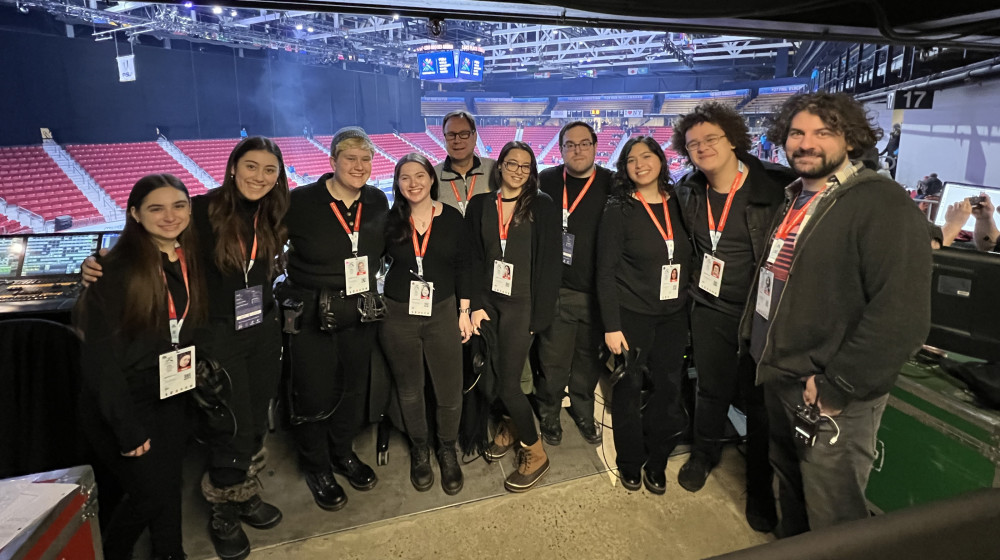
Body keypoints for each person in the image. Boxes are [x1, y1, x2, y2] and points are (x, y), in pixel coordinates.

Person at [83, 138, 291, 560]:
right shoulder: (198, 211)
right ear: (232, 167)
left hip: (261, 330)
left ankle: (243, 490)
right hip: (217, 335)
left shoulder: (276, 211)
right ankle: (223, 508)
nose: (260, 177)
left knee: (253, 421)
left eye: (270, 170)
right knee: (227, 425)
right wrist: (95, 266)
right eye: (251, 166)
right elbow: (151, 242)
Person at [743, 92, 931, 537]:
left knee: (835, 518)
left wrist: (837, 385)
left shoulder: (880, 203)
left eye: (823, 133)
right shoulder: (796, 198)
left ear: (850, 140)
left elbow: (901, 315)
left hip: (829, 394)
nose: (806, 144)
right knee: (791, 493)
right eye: (797, 133)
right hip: (783, 377)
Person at [670, 101, 797, 532]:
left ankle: (759, 485)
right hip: (709, 308)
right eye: (693, 144)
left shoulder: (777, 188)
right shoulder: (689, 189)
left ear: (732, 140)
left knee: (760, 405)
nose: (702, 148)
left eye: (711, 139)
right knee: (710, 389)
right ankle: (704, 454)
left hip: (760, 315)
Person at [77, 174, 207, 560]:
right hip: (127, 404)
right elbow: (99, 361)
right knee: (148, 494)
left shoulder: (187, 257)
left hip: (171, 392)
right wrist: (127, 429)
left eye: (178, 206)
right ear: (134, 213)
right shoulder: (112, 270)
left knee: (168, 486)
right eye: (156, 208)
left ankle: (170, 552)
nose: (170, 216)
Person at [281, 126, 388, 511]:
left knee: (353, 387)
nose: (359, 166)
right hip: (312, 311)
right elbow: (262, 241)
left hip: (360, 309)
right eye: (350, 159)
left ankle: (343, 452)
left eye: (366, 159)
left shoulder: (376, 201)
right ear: (332, 162)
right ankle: (317, 465)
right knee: (312, 392)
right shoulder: (301, 201)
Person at [597, 136, 694, 495]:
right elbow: (604, 271)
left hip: (673, 315)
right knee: (628, 389)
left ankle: (657, 459)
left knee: (669, 391)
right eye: (631, 159)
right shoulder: (618, 207)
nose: (640, 164)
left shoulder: (679, 202)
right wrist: (612, 325)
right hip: (632, 314)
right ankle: (629, 461)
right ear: (624, 168)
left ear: (660, 160)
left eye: (647, 155)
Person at [467, 140, 560, 492]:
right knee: (492, 379)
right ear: (500, 166)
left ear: (531, 171)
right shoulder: (480, 205)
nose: (518, 171)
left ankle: (535, 452)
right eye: (511, 163)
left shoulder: (542, 206)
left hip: (523, 305)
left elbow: (551, 264)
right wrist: (475, 303)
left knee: (509, 383)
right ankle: (508, 427)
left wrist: (540, 316)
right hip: (489, 303)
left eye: (525, 165)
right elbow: (475, 257)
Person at [379, 153, 472, 495]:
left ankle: (446, 448)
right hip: (398, 314)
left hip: (442, 311)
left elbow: (464, 265)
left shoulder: (452, 219)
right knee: (409, 389)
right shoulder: (389, 220)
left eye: (420, 175)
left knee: (448, 389)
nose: (413, 183)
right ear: (398, 183)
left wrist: (464, 310)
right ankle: (420, 448)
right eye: (405, 177)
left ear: (432, 179)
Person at [534, 121, 613, 447]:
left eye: (584, 143)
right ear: (561, 148)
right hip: (556, 292)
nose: (577, 150)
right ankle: (549, 411)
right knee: (553, 361)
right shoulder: (546, 181)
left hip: (596, 293)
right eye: (570, 144)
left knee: (586, 362)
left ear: (595, 146)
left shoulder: (612, 183)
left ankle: (582, 409)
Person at [434, 111, 496, 215]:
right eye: (451, 135)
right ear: (445, 139)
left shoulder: (494, 169)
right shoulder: (432, 175)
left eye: (464, 134)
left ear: (475, 136)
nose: (457, 140)